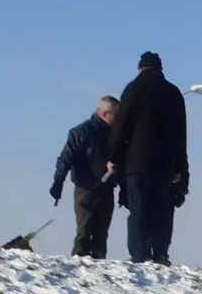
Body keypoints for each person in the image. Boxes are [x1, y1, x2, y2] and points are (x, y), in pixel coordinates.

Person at [108, 52, 188, 265]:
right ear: (160, 69)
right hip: (166, 164)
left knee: (138, 209)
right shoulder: (174, 93)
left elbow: (121, 125)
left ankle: (138, 253)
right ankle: (160, 253)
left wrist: (113, 155)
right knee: (163, 210)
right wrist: (181, 167)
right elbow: (181, 134)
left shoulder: (133, 89)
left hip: (137, 161)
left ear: (140, 68)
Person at [51, 96, 119, 259]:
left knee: (101, 233)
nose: (119, 119)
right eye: (116, 115)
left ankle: (99, 265)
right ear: (105, 113)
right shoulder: (81, 132)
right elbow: (66, 158)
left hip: (107, 188)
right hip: (85, 188)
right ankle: (78, 262)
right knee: (84, 229)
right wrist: (58, 181)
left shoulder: (117, 135)